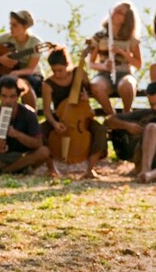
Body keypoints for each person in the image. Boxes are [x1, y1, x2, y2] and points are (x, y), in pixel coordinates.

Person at [41, 46, 107, 178]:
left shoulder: (79, 73)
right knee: (39, 131)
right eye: (54, 70)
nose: (57, 74)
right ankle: (51, 167)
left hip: (81, 117)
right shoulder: (48, 84)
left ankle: (90, 169)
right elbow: (47, 111)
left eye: (60, 70)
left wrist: (86, 96)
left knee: (99, 130)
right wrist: (54, 124)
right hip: (60, 117)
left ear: (67, 65)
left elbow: (89, 90)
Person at [0, 10, 44, 109]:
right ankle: (6, 116)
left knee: (23, 83)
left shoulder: (35, 43)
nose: (11, 27)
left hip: (32, 76)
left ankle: (31, 116)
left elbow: (30, 69)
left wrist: (17, 73)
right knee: (4, 86)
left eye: (15, 25)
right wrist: (0, 59)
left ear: (25, 27)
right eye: (10, 24)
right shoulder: (6, 38)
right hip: (7, 74)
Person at [88, 1, 142, 115]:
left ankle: (126, 114)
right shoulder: (99, 37)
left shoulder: (131, 40)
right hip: (104, 74)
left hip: (124, 73)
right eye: (114, 10)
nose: (114, 13)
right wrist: (103, 66)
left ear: (125, 19)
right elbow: (90, 63)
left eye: (119, 12)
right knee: (96, 86)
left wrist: (122, 52)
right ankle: (112, 115)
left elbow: (138, 64)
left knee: (127, 85)